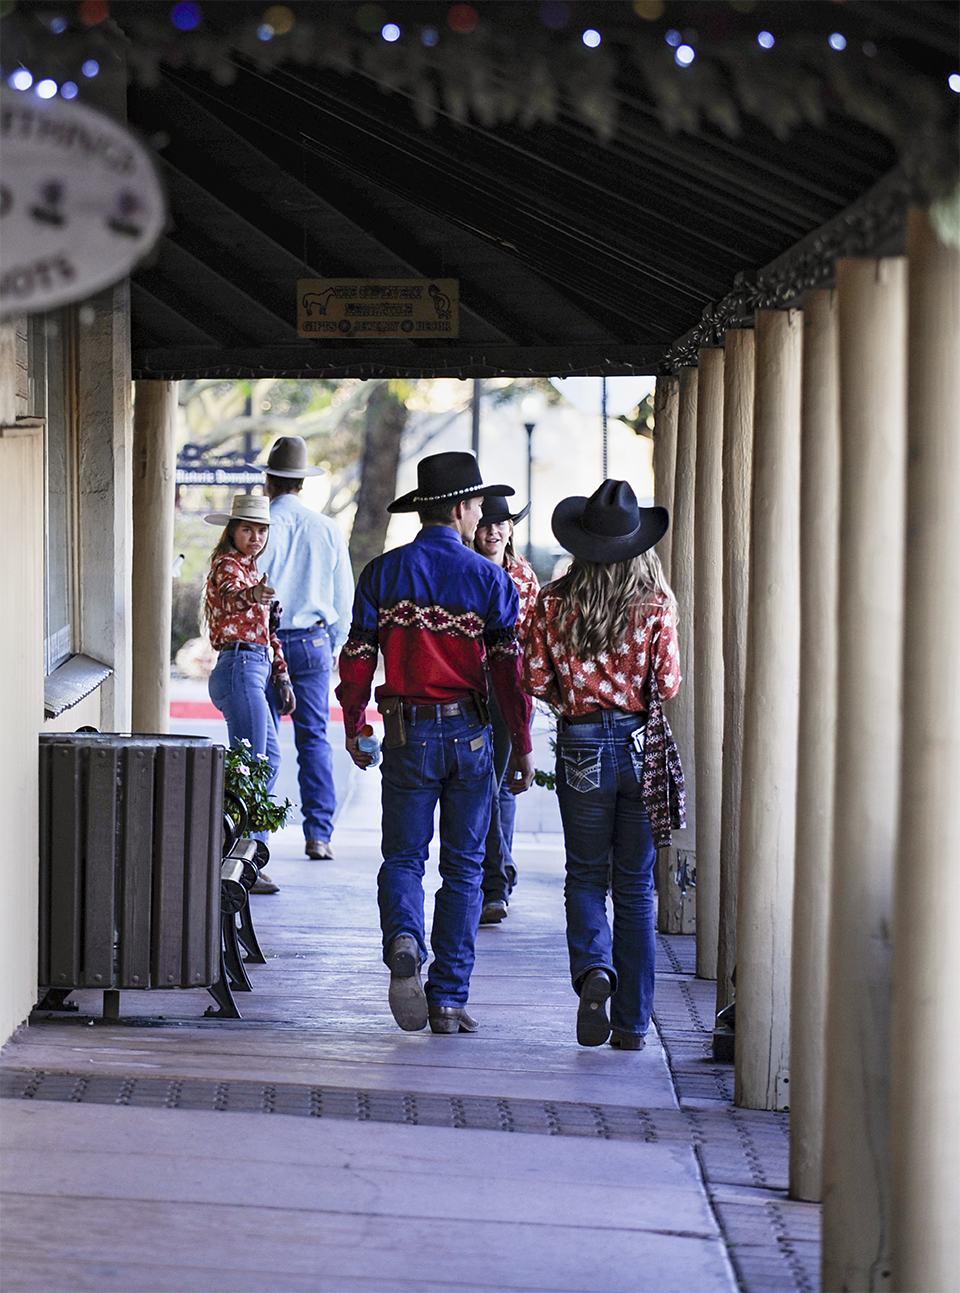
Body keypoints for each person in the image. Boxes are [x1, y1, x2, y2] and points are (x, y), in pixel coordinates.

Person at [336, 452, 535, 1035]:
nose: (481, 516)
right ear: (457, 508)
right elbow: (508, 673)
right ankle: (447, 999)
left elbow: (356, 657)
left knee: (402, 857)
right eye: (477, 505)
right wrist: (520, 743)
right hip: (471, 737)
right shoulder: (491, 580)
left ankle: (403, 938)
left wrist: (354, 724)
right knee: (466, 869)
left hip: (405, 733)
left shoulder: (382, 573)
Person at [523, 479, 684, 1050]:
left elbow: (535, 679)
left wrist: (577, 691)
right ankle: (633, 1024)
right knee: (637, 888)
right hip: (641, 747)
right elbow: (667, 683)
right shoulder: (656, 604)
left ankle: (594, 969)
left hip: (581, 745)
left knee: (586, 874)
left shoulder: (552, 599)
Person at [257, 436, 355, 862]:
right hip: (314, 640)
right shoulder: (328, 529)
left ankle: (257, 839)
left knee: (262, 740)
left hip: (266, 640)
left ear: (268, 482)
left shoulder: (259, 527)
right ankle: (318, 834)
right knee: (313, 739)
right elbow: (343, 597)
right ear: (301, 484)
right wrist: (333, 645)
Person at [204, 493, 295, 891]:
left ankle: (246, 853)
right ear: (232, 531)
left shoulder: (255, 571)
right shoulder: (227, 566)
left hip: (255, 665)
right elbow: (228, 597)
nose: (255, 537)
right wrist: (252, 596)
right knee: (252, 765)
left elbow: (268, 634)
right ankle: (237, 860)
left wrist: (284, 676)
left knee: (266, 760)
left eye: (261, 530)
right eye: (247, 529)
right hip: (239, 666)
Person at [472, 495, 540, 924]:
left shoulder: (524, 578)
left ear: (511, 529)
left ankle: (496, 881)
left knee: (495, 787)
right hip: (469, 687)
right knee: (491, 786)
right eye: (485, 524)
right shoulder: (466, 571)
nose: (493, 531)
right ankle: (499, 877)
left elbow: (529, 641)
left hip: (509, 689)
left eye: (501, 524)